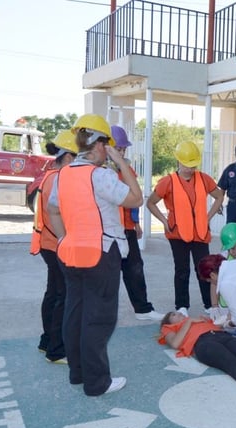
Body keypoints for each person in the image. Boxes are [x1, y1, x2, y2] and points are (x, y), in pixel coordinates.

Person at [47, 114, 143, 396]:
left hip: (71, 252)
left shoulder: (63, 175)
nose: (110, 149)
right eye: (108, 144)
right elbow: (136, 198)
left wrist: (65, 237)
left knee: (75, 313)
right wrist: (121, 162)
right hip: (101, 254)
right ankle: (97, 382)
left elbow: (53, 210)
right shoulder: (99, 175)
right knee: (98, 319)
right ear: (100, 145)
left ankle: (78, 373)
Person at [146, 140, 224, 313]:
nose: (190, 169)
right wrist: (164, 222)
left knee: (204, 270)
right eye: (187, 165)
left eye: (193, 165)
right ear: (178, 161)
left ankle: (209, 306)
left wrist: (208, 216)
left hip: (200, 234)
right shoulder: (167, 182)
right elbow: (150, 203)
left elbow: (219, 196)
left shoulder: (204, 179)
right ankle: (182, 306)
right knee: (182, 270)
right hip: (177, 235)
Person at [30, 130, 76, 364]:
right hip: (57, 244)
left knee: (53, 293)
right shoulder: (60, 179)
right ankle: (57, 350)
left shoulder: (49, 176)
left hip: (48, 243)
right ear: (68, 158)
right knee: (63, 296)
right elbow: (60, 216)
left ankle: (46, 340)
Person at [110, 125, 163, 321]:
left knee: (135, 268)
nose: (122, 152)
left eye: (123, 149)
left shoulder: (127, 169)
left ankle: (142, 309)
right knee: (108, 273)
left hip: (126, 228)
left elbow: (135, 200)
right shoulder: (100, 171)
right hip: (108, 230)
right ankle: (104, 313)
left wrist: (136, 223)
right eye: (118, 148)